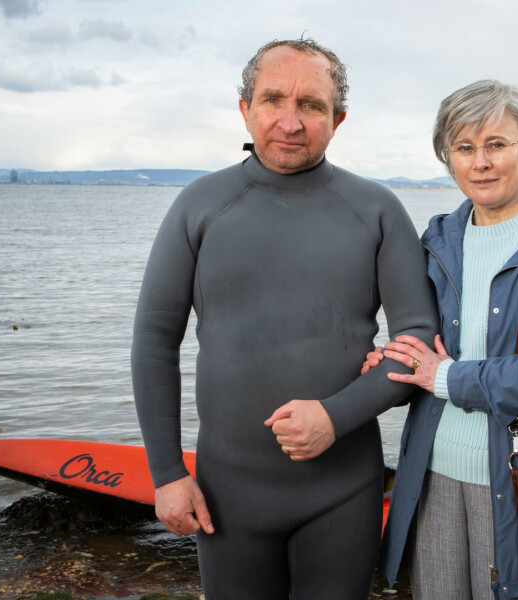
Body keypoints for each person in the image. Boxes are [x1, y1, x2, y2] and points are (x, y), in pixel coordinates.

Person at [131, 38, 438, 600]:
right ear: (245, 109)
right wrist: (168, 473)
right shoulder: (200, 204)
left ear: (337, 119)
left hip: (343, 492)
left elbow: (418, 342)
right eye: (273, 100)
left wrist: (335, 416)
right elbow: (154, 340)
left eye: (311, 105)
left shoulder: (376, 210)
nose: (290, 122)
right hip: (226, 494)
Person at [365, 80, 518, 600]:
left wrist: (450, 378)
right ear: (448, 158)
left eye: (496, 144)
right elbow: (429, 354)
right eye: (464, 147)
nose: (480, 162)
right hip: (432, 471)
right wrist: (395, 361)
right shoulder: (437, 239)